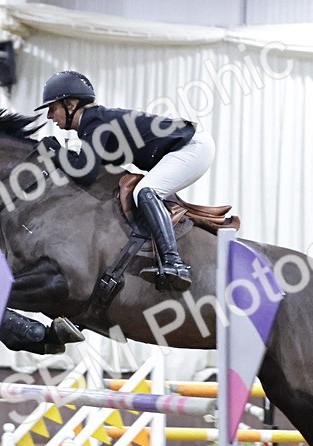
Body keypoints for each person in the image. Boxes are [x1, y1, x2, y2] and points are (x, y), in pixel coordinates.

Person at [35, 70, 215, 292]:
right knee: (145, 190)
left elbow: (85, 171)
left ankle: (174, 262)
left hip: (192, 147)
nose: (49, 116)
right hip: (187, 146)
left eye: (52, 109)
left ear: (71, 105)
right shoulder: (94, 123)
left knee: (145, 192)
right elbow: (88, 166)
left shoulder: (94, 123)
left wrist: (54, 151)